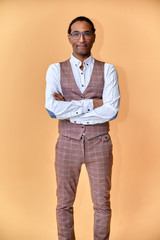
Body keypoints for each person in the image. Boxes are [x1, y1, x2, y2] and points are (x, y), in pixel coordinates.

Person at [45, 16, 120, 240]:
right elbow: (52, 110)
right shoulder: (55, 69)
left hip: (100, 144)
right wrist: (93, 103)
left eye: (86, 33)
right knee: (64, 203)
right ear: (69, 38)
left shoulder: (108, 70)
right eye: (76, 34)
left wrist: (69, 106)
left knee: (102, 204)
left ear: (94, 36)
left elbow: (112, 110)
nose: (82, 39)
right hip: (67, 144)